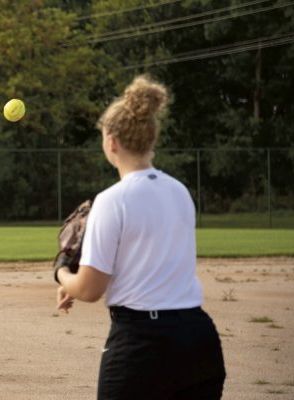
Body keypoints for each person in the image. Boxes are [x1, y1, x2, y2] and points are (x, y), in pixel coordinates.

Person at [55, 76, 226, 399]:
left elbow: (90, 289)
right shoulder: (179, 192)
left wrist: (62, 273)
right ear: (151, 140)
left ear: (112, 142)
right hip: (199, 341)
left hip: (142, 346)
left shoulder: (112, 199)